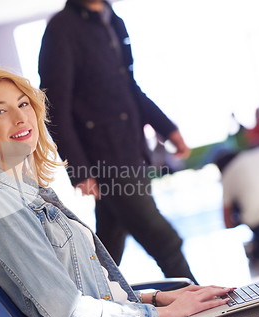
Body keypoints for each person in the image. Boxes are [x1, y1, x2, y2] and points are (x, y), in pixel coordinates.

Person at [0, 68, 231, 317]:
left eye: (23, 104)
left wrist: (155, 299)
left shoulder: (27, 191)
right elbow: (70, 315)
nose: (20, 117)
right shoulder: (0, 203)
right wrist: (163, 315)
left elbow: (84, 291)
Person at [38, 0, 196, 282]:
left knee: (108, 248)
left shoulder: (114, 20)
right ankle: (204, 307)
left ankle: (86, 307)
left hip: (132, 151)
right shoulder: (61, 28)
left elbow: (129, 87)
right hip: (104, 160)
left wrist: (168, 129)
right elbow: (53, 106)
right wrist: (79, 170)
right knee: (165, 240)